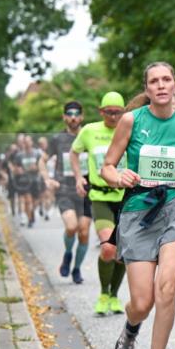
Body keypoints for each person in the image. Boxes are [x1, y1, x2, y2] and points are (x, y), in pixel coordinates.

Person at [100, 63, 175, 349]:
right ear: (147, 89)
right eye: (154, 81)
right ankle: (132, 327)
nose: (161, 85)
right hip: (138, 212)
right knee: (142, 301)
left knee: (168, 287)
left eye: (166, 79)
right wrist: (119, 176)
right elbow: (107, 166)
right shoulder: (132, 121)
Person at [71, 93, 128, 316]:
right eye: (108, 112)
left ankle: (114, 296)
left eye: (118, 112)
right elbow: (74, 153)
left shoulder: (129, 130)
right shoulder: (89, 131)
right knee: (108, 248)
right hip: (100, 197)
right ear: (100, 111)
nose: (113, 116)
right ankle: (104, 293)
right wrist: (78, 177)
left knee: (122, 252)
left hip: (125, 197)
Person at [45, 101, 92, 284]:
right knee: (72, 227)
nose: (73, 117)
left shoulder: (89, 136)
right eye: (69, 113)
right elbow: (42, 160)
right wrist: (47, 178)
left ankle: (77, 268)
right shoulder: (57, 139)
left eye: (76, 114)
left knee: (84, 232)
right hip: (64, 189)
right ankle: (67, 254)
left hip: (87, 191)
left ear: (82, 117)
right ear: (64, 117)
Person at [9, 134, 44, 228]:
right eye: (26, 142)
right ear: (23, 143)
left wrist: (36, 167)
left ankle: (32, 213)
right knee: (28, 200)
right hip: (24, 181)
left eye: (29, 141)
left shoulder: (37, 153)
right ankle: (29, 220)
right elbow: (15, 168)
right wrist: (18, 170)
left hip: (36, 180)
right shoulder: (19, 155)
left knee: (35, 201)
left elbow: (42, 166)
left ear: (32, 142)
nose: (27, 143)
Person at [36, 136, 53, 220]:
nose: (43, 145)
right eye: (41, 144)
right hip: (40, 176)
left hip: (50, 175)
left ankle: (47, 212)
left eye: (44, 143)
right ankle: (41, 207)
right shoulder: (37, 153)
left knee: (48, 194)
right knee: (41, 195)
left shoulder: (51, 151)